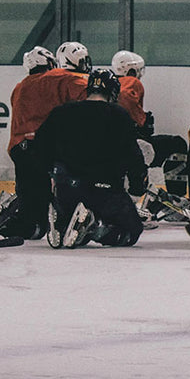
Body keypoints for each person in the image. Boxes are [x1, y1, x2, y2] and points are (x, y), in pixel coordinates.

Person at [0, 46, 88, 242]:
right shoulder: (56, 77)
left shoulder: (18, 88)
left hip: (19, 149)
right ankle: (67, 216)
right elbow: (82, 86)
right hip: (44, 148)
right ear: (49, 63)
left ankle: (6, 218)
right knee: (70, 183)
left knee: (33, 225)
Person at [32, 68, 149, 249]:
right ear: (113, 92)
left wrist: (49, 181)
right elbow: (133, 156)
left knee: (77, 229)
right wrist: (137, 188)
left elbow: (39, 149)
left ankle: (63, 222)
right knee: (131, 231)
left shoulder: (61, 112)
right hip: (104, 191)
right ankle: (94, 227)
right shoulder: (118, 115)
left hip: (66, 189)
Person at [112, 50, 188, 196]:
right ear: (131, 70)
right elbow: (126, 98)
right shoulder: (131, 82)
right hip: (131, 145)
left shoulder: (108, 84)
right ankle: (177, 196)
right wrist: (141, 120)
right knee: (177, 144)